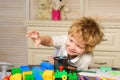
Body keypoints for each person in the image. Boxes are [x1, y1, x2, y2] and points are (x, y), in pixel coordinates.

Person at [26, 17, 104, 70]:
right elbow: (50, 41)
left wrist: (58, 64)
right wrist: (41, 39)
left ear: (87, 49)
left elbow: (78, 72)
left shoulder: (87, 57)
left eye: (79, 46)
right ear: (69, 35)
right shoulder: (64, 40)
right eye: (71, 40)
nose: (72, 47)